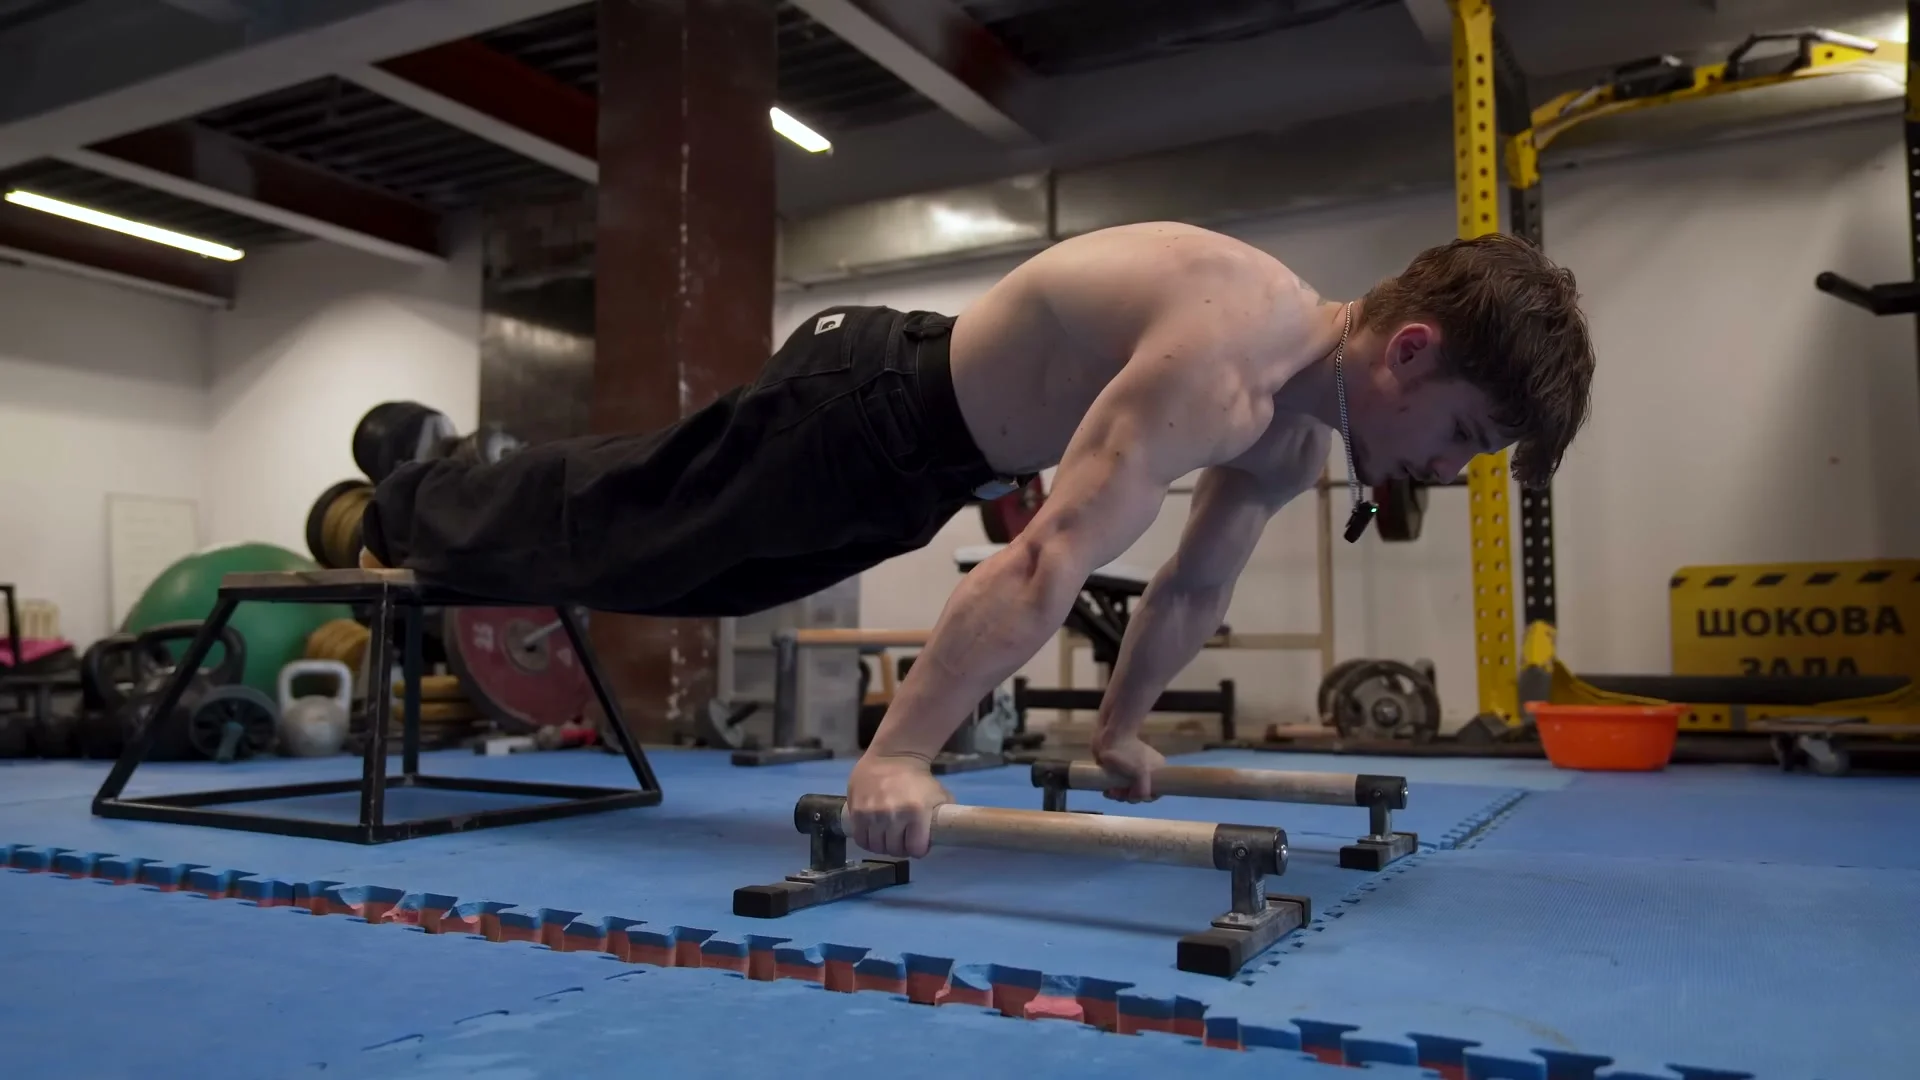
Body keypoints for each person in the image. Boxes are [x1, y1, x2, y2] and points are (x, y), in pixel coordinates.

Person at [357, 221, 1595, 860]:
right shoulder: (1229, 354)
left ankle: (458, 493)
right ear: (1414, 351)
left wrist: (1117, 730)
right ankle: (410, 498)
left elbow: (1186, 589)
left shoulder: (1286, 439)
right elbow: (1049, 559)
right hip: (860, 403)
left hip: (931, 463)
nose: (1447, 472)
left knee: (681, 574)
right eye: (1464, 438)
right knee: (638, 535)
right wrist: (895, 759)